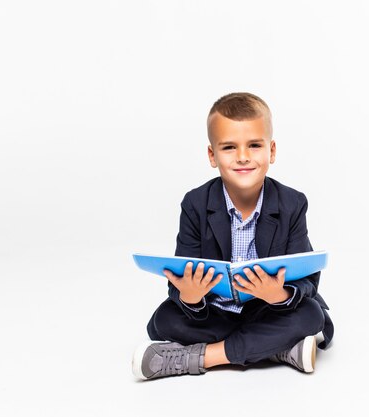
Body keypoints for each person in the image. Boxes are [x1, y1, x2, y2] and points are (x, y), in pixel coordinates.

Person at [132, 92, 333, 380]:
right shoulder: (195, 204)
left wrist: (278, 295)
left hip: (268, 310)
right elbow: (178, 281)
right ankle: (275, 349)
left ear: (271, 151)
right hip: (215, 312)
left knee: (311, 315)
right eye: (229, 147)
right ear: (212, 156)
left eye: (254, 145)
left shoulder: (292, 203)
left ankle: (200, 357)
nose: (242, 157)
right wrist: (190, 296)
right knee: (163, 320)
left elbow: (308, 280)